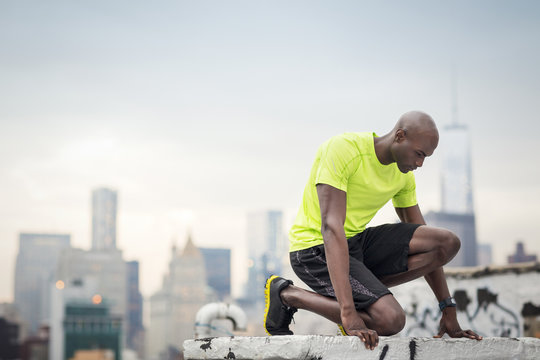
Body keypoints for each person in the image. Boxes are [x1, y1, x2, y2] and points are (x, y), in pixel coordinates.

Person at [263, 111, 482, 350]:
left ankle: (362, 294)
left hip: (356, 245)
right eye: (419, 154)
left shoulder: (403, 174)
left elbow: (421, 232)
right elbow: (331, 228)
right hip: (314, 250)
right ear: (399, 136)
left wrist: (447, 307)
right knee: (391, 320)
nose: (420, 164)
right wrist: (347, 312)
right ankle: (288, 295)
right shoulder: (344, 150)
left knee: (446, 243)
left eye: (426, 157)